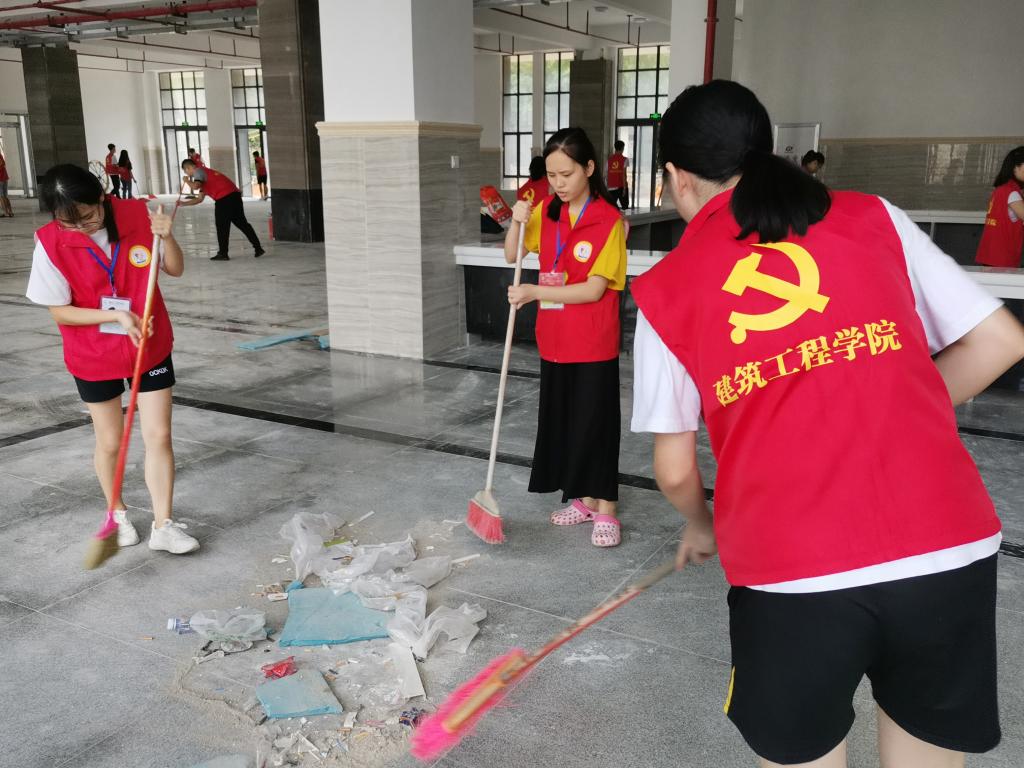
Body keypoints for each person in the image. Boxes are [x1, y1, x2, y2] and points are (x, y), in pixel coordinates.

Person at [630, 80, 1024, 768]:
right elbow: (1001, 342)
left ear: (675, 177)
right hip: (945, 545)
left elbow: (673, 470)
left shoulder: (668, 286)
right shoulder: (873, 216)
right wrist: (892, 408)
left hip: (793, 570)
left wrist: (701, 524)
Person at [25, 164, 200, 555]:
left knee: (159, 435)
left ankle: (164, 525)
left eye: (88, 217)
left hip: (149, 346)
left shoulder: (138, 214)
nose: (82, 228)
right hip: (92, 353)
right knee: (110, 441)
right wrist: (116, 317)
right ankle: (116, 513)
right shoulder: (50, 242)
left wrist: (167, 237)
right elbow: (60, 312)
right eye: (69, 222)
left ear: (102, 197)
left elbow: (174, 268)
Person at [505, 127, 627, 548]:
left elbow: (594, 289)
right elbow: (513, 254)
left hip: (593, 339)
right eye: (552, 175)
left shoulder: (608, 221)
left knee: (596, 423)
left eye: (567, 174)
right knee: (569, 422)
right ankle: (583, 499)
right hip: (554, 337)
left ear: (589, 168)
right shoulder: (546, 212)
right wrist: (516, 220)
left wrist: (536, 291)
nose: (558, 183)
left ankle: (607, 507)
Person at [179, 159, 264, 261]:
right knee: (242, 224)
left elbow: (195, 186)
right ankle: (258, 248)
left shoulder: (198, 171)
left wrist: (186, 181)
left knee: (222, 226)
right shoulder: (206, 174)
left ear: (188, 168)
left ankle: (223, 253)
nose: (187, 174)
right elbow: (199, 199)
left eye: (186, 171)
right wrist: (183, 204)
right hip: (234, 196)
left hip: (224, 199)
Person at [975, 146, 1024, 268]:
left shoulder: (1001, 189)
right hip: (1002, 259)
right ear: (1015, 167)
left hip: (991, 255)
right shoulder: (1012, 193)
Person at [606, 139, 629, 209]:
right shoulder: (625, 159)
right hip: (621, 186)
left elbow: (606, 175)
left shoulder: (609, 160)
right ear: (622, 148)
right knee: (625, 206)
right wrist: (624, 188)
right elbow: (624, 175)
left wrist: (607, 186)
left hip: (611, 187)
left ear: (615, 148)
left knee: (611, 207)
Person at [0, 148, 12, 217]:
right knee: (5, 196)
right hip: (4, 177)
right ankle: (10, 211)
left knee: (1, 197)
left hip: (0, 178)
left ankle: (5, 212)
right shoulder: (0, 155)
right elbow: (3, 164)